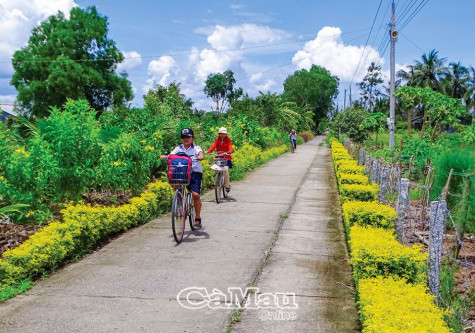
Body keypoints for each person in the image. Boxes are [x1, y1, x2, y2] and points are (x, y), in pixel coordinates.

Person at [169, 128, 204, 229]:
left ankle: (197, 218)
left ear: (192, 138)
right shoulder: (178, 148)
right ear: (181, 139)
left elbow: (200, 154)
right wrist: (166, 157)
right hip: (182, 172)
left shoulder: (196, 148)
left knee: (195, 195)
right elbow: (171, 155)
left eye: (188, 137)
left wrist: (200, 156)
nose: (186, 139)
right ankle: (181, 203)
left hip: (194, 172)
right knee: (174, 183)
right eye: (183, 137)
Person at [207, 127, 234, 192]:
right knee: (217, 169)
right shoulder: (217, 140)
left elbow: (230, 147)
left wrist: (230, 151)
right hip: (218, 157)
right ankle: (217, 181)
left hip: (226, 157)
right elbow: (213, 146)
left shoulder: (228, 140)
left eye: (224, 134)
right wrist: (209, 151)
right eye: (221, 134)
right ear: (219, 134)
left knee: (225, 170)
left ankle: (227, 185)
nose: (222, 135)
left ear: (226, 134)